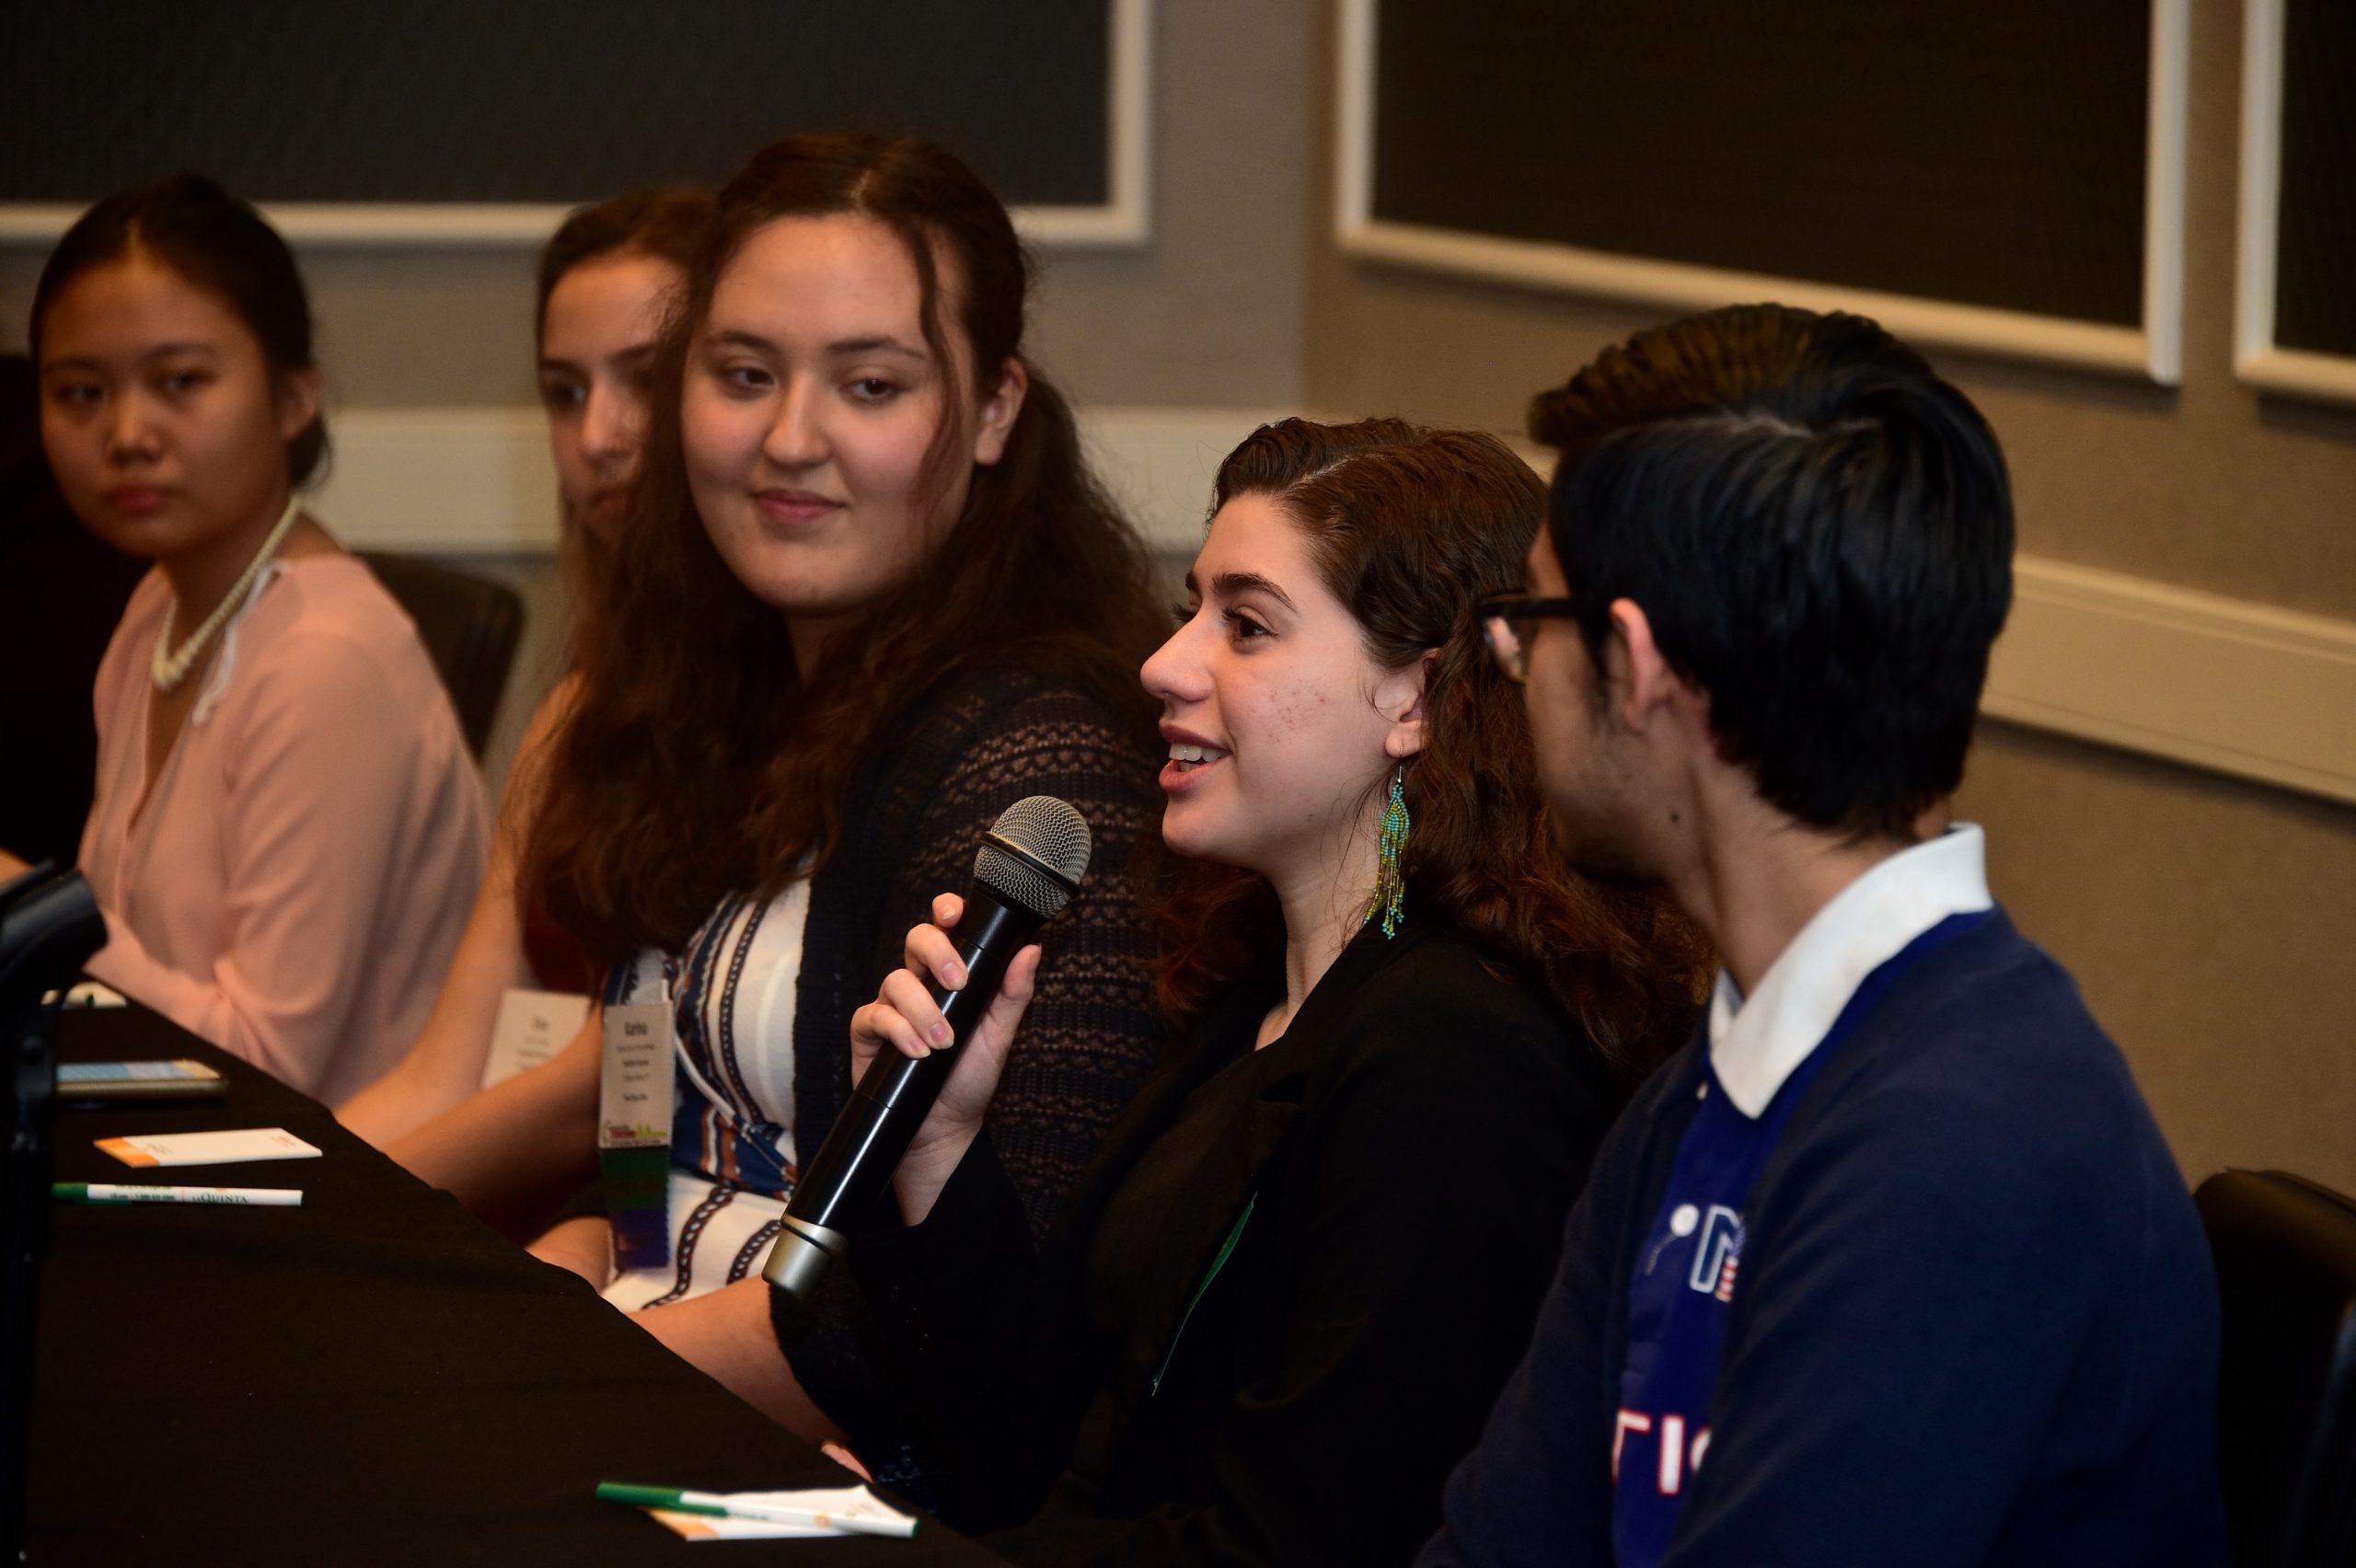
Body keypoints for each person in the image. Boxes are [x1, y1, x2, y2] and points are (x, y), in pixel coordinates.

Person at [381, 133, 1169, 1467]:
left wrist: (543, 1376)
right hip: (644, 1376)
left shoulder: (1034, 758)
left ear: (992, 411)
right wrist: (578, 1265)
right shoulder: (700, 690)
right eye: (744, 376)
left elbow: (941, 1326)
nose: (790, 441)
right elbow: (659, 1132)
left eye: (870, 384)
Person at [1420, 305, 2227, 1566]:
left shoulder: (1972, 1148)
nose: (1514, 658)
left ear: (1634, 668)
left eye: (1537, 615)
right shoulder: (1719, 1083)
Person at [842, 417, 1705, 1562]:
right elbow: (1038, 1453)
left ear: (1415, 699)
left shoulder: (1456, 1059)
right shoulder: (1258, 994)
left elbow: (1314, 1542)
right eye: (1189, 611)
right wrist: (938, 1150)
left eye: (1245, 626)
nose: (1164, 665)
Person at [6, 176, 488, 1103]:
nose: (127, 434)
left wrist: (37, 914)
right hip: (176, 1135)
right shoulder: (161, 603)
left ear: (294, 396)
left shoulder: (326, 658)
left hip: (337, 1188)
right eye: (80, 392)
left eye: (180, 381)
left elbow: (265, 1064)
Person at [337, 186, 712, 1148]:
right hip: (533, 1187)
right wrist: (312, 1180)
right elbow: (444, 1068)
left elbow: (615, 1083)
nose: (598, 437)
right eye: (566, 391)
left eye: (644, 377)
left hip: (629, 1199)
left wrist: (341, 1210)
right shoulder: (577, 708)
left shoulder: (783, 705)